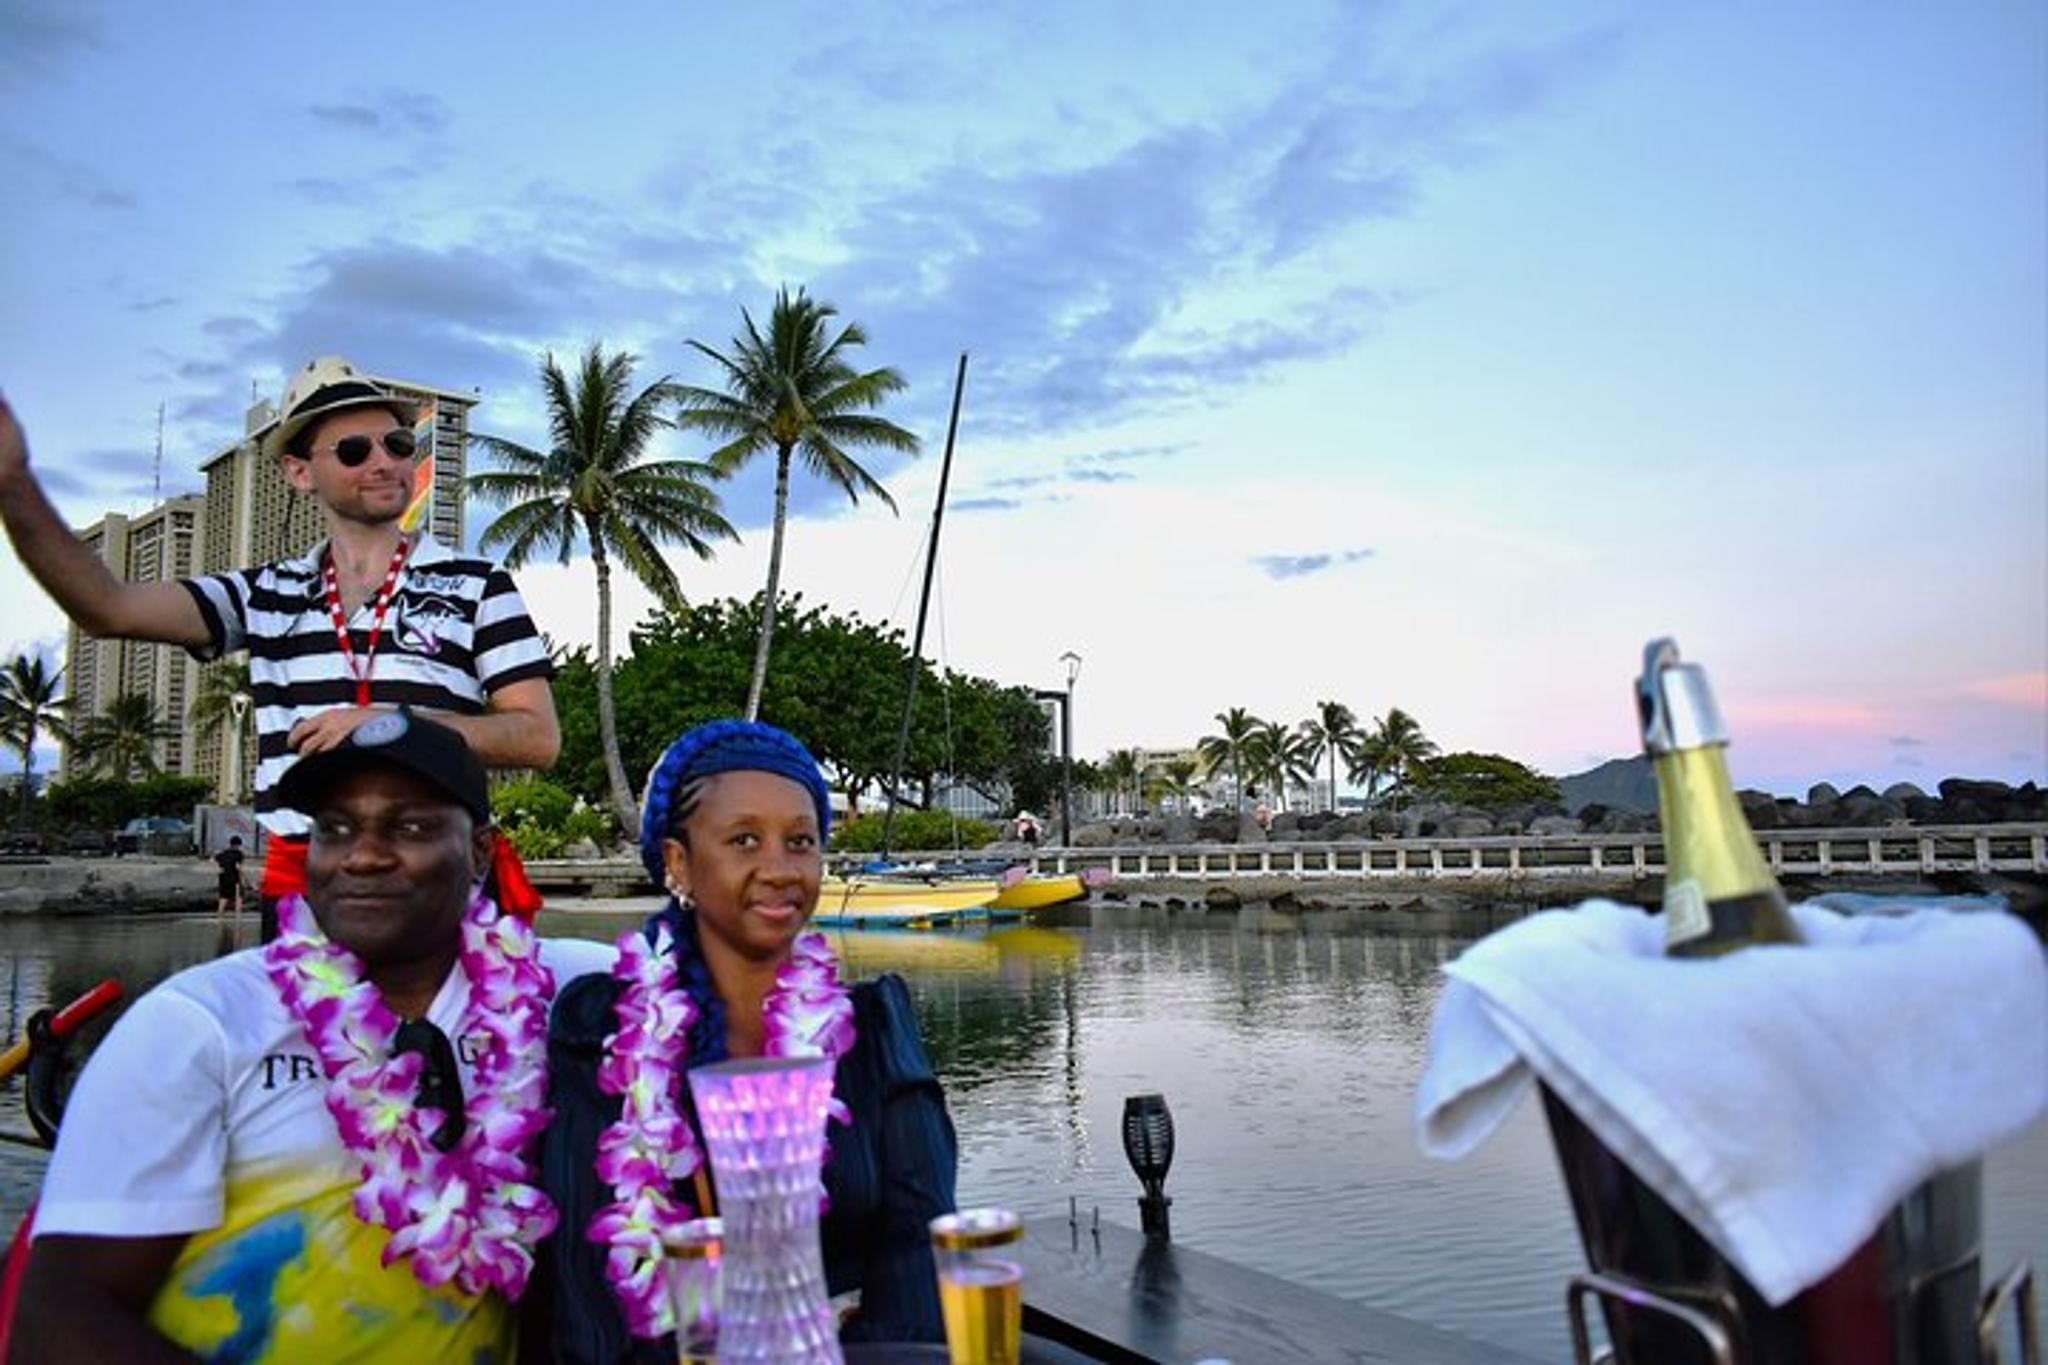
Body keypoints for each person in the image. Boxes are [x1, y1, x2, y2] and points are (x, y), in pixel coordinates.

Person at [13, 711, 614, 1363]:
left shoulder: (565, 990)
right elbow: (56, 1320)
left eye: (409, 826)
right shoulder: (200, 1024)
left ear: (479, 851)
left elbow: (718, 980)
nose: (363, 853)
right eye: (336, 827)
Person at [0, 359, 559, 936]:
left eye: (397, 444)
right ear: (299, 472)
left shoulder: (477, 582)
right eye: (353, 451)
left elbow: (537, 737)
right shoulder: (262, 594)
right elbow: (108, 607)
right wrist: (16, 487)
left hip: (437, 872)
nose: (385, 462)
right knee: (308, 1028)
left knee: (444, 1029)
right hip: (307, 886)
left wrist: (392, 726)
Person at [535, 719, 959, 1361]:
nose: (779, 869)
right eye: (744, 840)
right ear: (678, 862)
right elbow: (581, 1293)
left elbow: (919, 1260)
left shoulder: (872, 1031)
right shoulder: (601, 1030)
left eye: (800, 841)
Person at [213, 833, 247, 916]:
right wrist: (244, 880)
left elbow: (213, 861)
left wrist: (220, 869)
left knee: (223, 897)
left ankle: (219, 916)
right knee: (239, 896)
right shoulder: (239, 854)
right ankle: (238, 916)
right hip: (234, 879)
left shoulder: (222, 854)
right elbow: (239, 868)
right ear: (238, 845)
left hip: (223, 878)